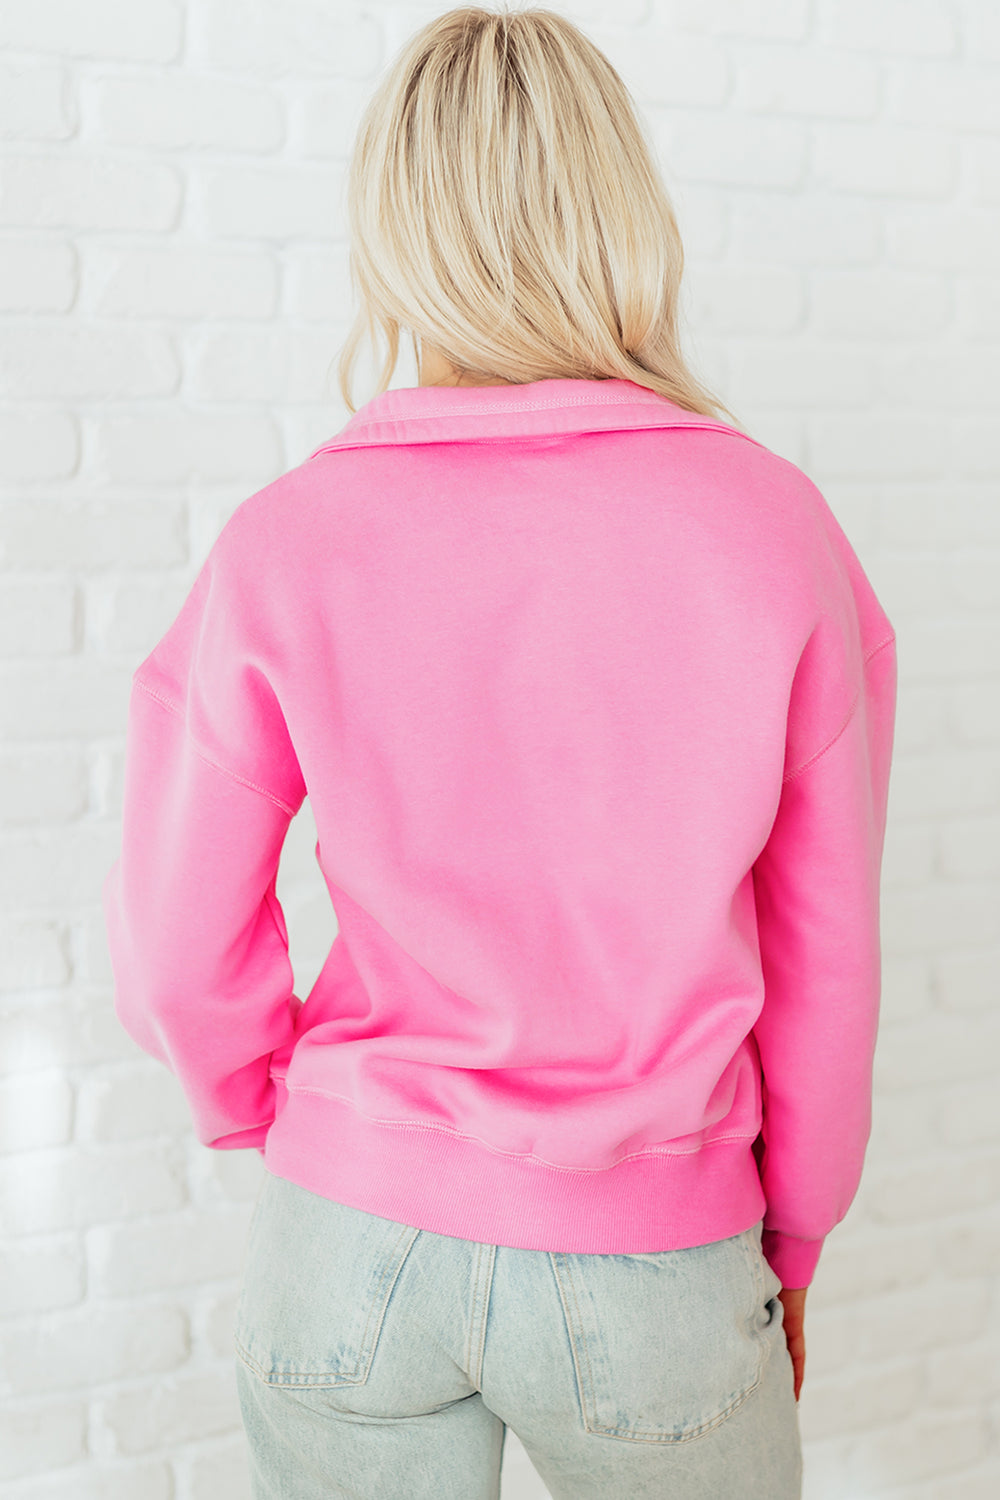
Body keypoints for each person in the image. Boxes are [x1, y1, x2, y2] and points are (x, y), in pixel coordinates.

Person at [102, 5, 897, 1498]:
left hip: (344, 1239)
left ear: (395, 228)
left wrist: (290, 1121)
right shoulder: (775, 531)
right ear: (623, 210)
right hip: (659, 1260)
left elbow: (171, 941)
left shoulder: (289, 539)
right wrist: (797, 1230)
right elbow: (829, 951)